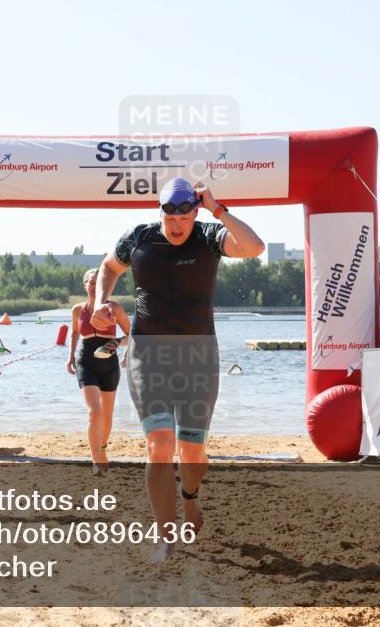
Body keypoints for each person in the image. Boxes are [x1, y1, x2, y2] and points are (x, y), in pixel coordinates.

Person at [90, 177, 264, 562]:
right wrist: (102, 300)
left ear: (195, 211)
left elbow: (255, 247)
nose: (176, 227)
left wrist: (218, 209)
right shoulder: (138, 237)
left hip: (198, 357)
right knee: (160, 444)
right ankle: (166, 538)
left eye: (183, 219)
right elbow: (107, 266)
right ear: (160, 212)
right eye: (170, 220)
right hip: (147, 354)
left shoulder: (209, 236)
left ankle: (190, 497)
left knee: (192, 452)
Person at [67, 268, 131, 475]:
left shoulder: (115, 309)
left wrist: (117, 342)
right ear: (84, 285)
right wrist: (70, 358)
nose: (94, 286)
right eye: (90, 282)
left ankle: (102, 449)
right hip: (86, 360)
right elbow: (75, 334)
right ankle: (96, 461)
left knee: (107, 415)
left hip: (108, 362)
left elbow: (134, 336)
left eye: (97, 282)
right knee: (94, 411)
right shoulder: (78, 310)